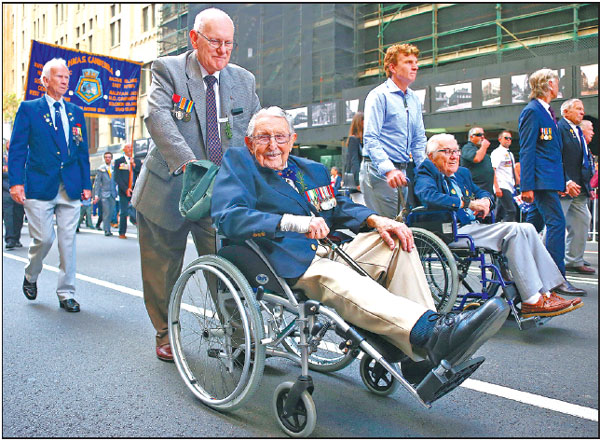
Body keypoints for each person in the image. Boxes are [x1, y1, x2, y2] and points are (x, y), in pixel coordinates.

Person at [212, 107, 509, 379]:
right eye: (263, 137)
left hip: (333, 247)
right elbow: (229, 216)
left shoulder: (311, 170)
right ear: (250, 143)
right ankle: (430, 332)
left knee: (398, 241)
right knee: (335, 276)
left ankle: (419, 358)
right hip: (284, 258)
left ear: (292, 140)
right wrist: (295, 222)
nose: (273, 145)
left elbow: (338, 206)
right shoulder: (239, 164)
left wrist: (376, 221)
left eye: (280, 136)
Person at [131, 7, 260, 362]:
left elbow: (254, 132)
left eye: (228, 44)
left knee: (227, 266)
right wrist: (192, 166)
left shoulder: (243, 81)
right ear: (194, 39)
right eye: (215, 42)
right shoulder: (167, 69)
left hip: (218, 196)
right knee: (162, 269)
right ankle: (165, 332)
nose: (222, 50)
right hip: (168, 189)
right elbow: (157, 118)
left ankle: (239, 339)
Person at [415, 133, 584, 318]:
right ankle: (532, 301)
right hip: (451, 231)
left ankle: (547, 292)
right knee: (512, 231)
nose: (454, 156)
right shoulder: (426, 171)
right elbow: (428, 196)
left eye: (456, 151)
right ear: (431, 156)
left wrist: (486, 200)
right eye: (447, 152)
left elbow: (482, 192)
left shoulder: (462, 173)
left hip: (473, 227)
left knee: (526, 227)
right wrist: (468, 203)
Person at [8, 57, 91, 312]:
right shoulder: (29, 109)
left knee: (68, 242)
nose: (65, 81)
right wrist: (16, 183)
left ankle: (66, 293)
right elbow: (18, 149)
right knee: (43, 239)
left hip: (70, 186)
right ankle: (31, 275)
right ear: (45, 80)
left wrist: (86, 183)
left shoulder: (76, 112)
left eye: (67, 77)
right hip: (39, 186)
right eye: (59, 76)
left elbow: (82, 151)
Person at [518, 68, 585, 296]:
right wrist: (526, 186)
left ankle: (513, 263)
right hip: (540, 182)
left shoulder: (547, 112)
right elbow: (527, 150)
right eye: (556, 82)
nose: (558, 85)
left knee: (531, 227)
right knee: (556, 224)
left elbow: (551, 151)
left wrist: (562, 181)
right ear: (547, 85)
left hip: (549, 180)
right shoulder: (533, 112)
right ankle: (557, 279)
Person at [361, 43, 427, 219]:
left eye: (415, 61)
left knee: (401, 224)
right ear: (392, 67)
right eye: (407, 62)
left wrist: (426, 170)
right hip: (379, 171)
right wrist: (389, 170)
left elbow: (419, 140)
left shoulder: (414, 98)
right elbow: (370, 138)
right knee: (388, 227)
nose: (415, 66)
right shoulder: (379, 95)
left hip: (402, 170)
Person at [558, 99, 595, 275]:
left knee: (582, 220)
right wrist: (564, 181)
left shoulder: (576, 132)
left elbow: (581, 161)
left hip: (579, 187)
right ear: (566, 112)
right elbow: (555, 158)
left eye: (582, 109)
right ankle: (543, 260)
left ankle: (573, 260)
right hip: (564, 186)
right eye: (578, 109)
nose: (582, 112)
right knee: (555, 224)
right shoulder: (560, 129)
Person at [490, 130, 519, 222]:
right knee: (511, 211)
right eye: (506, 138)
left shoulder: (510, 153)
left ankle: (496, 228)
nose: (508, 140)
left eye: (510, 138)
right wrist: (496, 187)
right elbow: (493, 170)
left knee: (500, 213)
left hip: (510, 185)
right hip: (502, 185)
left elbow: (513, 169)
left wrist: (517, 181)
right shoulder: (497, 152)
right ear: (500, 139)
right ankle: (506, 232)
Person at [113, 143, 140, 239]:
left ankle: (140, 232)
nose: (130, 149)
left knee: (137, 212)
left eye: (131, 147)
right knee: (124, 212)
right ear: (124, 149)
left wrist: (134, 165)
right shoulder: (119, 162)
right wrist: (125, 189)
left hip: (135, 190)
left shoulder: (137, 161)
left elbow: (140, 173)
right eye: (128, 147)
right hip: (124, 190)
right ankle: (122, 232)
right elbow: (117, 177)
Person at [3, 142, 25, 249]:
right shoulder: (3, 158)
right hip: (6, 191)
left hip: (20, 191)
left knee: (18, 214)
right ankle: (10, 239)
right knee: (9, 215)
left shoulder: (20, 157)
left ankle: (16, 238)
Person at [460, 127, 494, 195]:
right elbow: (476, 158)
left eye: (483, 135)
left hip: (487, 188)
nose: (482, 137)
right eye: (479, 135)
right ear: (471, 137)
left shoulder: (481, 150)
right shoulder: (467, 147)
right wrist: (484, 146)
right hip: (476, 188)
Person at [93, 151, 117, 237]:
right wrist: (96, 195)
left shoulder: (114, 168)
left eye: (109, 157)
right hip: (104, 194)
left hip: (113, 194)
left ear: (111, 158)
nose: (108, 158)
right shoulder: (101, 169)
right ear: (104, 158)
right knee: (106, 212)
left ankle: (108, 229)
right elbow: (97, 182)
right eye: (106, 157)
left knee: (111, 212)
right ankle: (106, 230)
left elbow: (116, 181)